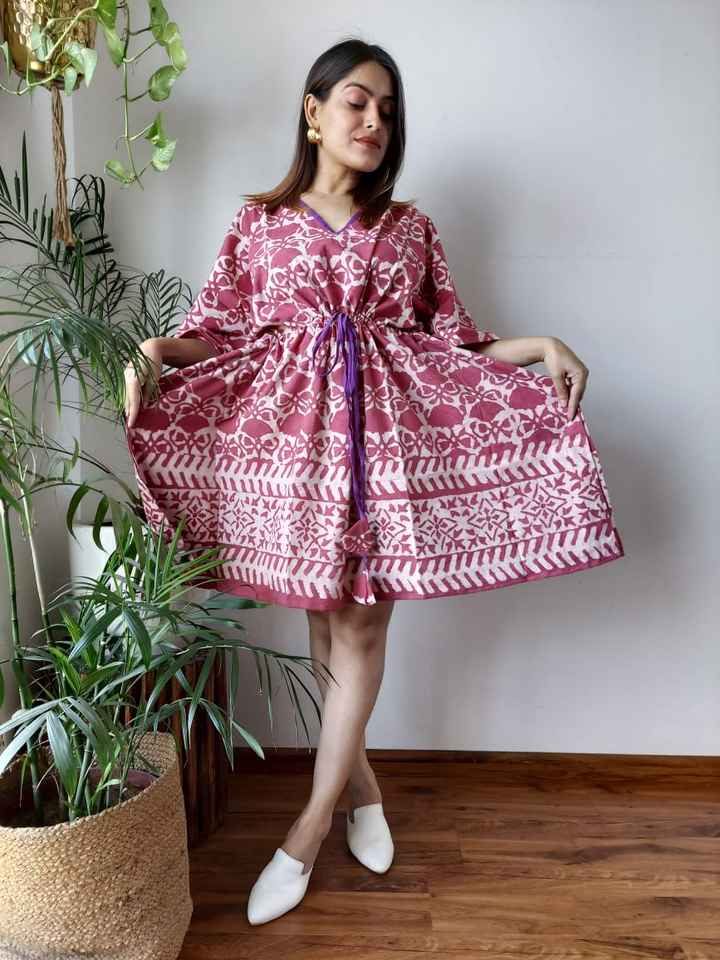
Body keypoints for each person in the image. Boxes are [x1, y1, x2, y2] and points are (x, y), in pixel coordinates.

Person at [123, 38, 625, 925]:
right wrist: (158, 349)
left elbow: (454, 344)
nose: (374, 122)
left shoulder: (409, 230)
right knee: (326, 631)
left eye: (387, 111)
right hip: (298, 462)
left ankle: (305, 831)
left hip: (387, 459)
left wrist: (541, 346)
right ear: (312, 111)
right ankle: (364, 793)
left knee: (358, 629)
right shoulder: (257, 225)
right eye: (357, 102)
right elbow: (222, 334)